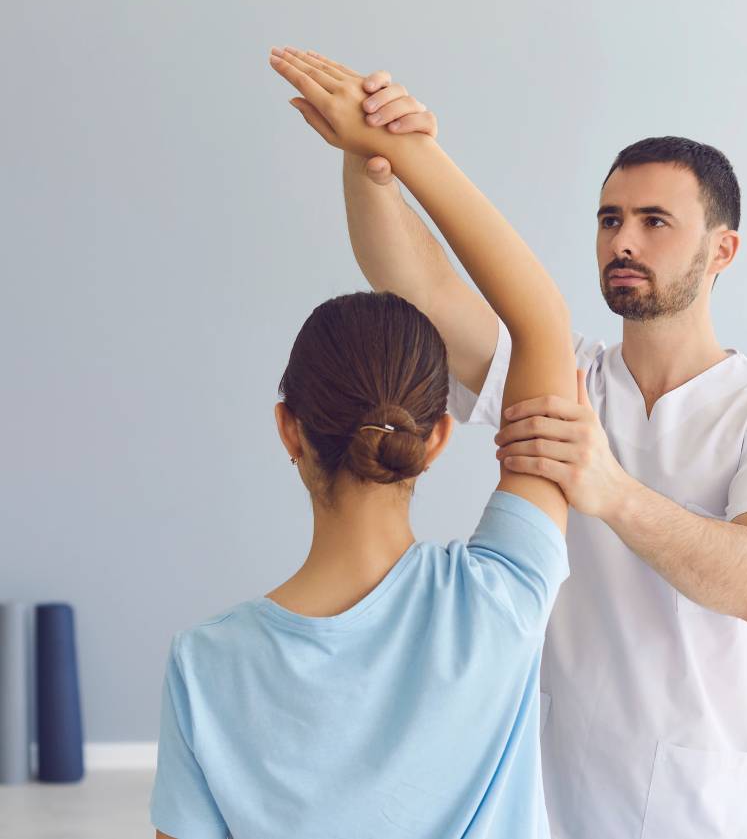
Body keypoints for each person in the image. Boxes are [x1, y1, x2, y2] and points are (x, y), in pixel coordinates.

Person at [337, 71, 747, 839]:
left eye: (653, 220)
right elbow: (420, 287)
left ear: (721, 249)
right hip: (547, 786)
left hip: (698, 804)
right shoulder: (561, 372)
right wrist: (370, 161)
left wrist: (609, 488)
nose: (622, 240)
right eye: (609, 218)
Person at [148, 46, 579, 839]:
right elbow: (542, 323)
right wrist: (405, 153)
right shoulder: (501, 599)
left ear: (289, 429)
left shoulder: (204, 665)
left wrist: (372, 161)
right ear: (437, 436)